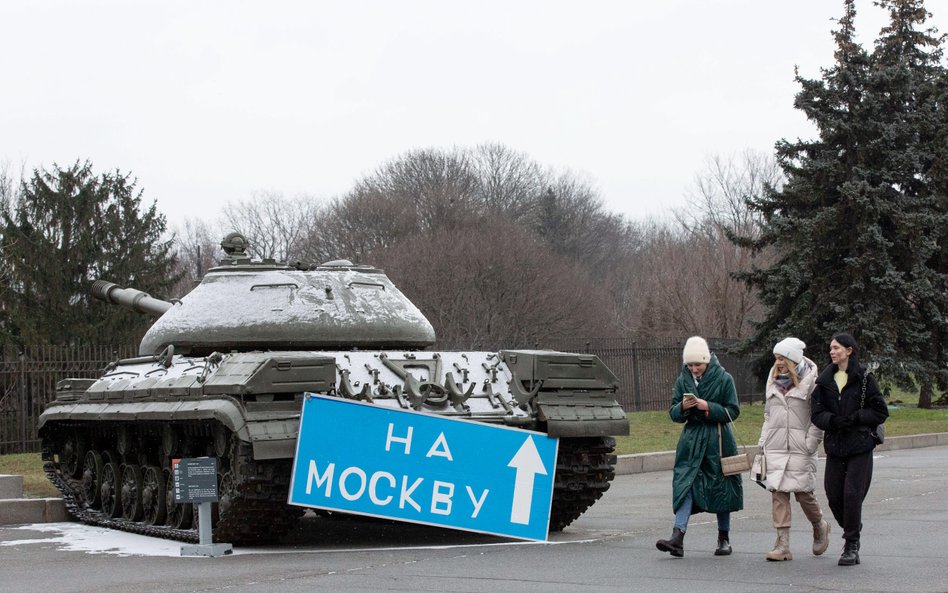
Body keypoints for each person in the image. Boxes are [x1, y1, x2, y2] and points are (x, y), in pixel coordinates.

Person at [656, 336, 744, 558]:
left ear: (707, 361)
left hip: (718, 440)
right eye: (690, 365)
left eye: (698, 364)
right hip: (691, 441)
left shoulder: (724, 378)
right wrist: (683, 408)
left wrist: (708, 407)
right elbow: (673, 413)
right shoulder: (682, 379)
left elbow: (732, 411)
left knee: (721, 488)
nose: (694, 369)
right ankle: (678, 536)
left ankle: (724, 538)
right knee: (685, 484)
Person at [810, 332, 888, 566]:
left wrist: (857, 417)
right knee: (834, 496)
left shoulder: (864, 378)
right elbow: (816, 413)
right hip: (835, 445)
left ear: (849, 350)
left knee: (853, 494)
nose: (832, 352)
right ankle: (853, 525)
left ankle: (851, 544)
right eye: (831, 348)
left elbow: (880, 411)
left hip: (860, 445)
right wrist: (832, 421)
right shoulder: (824, 381)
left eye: (836, 348)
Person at [757, 337, 831, 561]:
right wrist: (762, 443)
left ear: (792, 359)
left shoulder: (812, 381)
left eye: (782, 358)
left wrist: (811, 443)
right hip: (776, 446)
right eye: (776, 358)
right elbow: (769, 416)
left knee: (803, 493)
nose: (778, 362)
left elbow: (818, 417)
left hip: (801, 447)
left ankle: (819, 525)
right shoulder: (772, 380)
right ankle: (782, 545)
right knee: (777, 493)